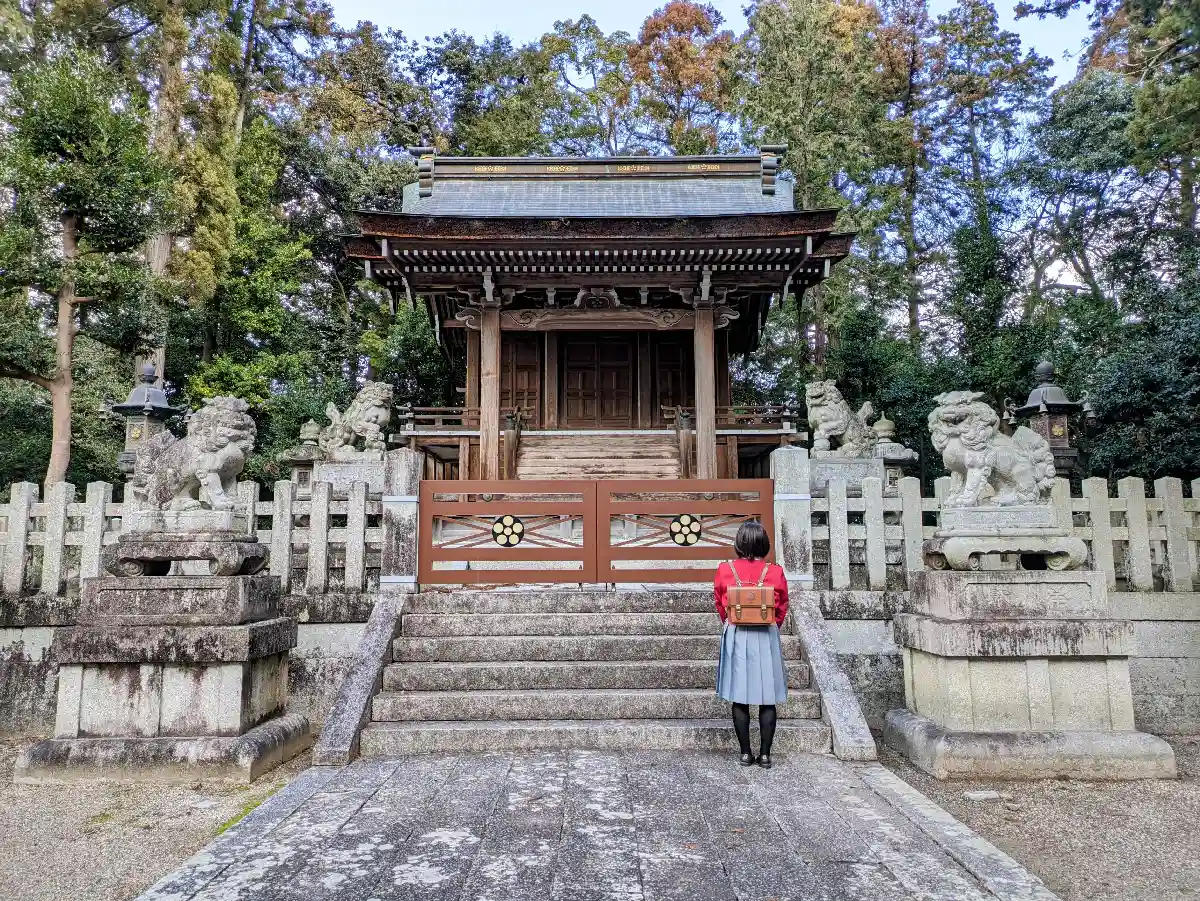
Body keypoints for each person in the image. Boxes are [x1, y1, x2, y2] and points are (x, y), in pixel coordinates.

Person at [713, 520, 790, 768]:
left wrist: (730, 622)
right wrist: (773, 625)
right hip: (766, 633)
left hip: (737, 632)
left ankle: (745, 753)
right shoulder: (775, 571)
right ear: (764, 544)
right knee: (768, 697)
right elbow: (782, 604)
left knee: (740, 695)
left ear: (738, 543)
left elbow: (719, 602)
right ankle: (765, 755)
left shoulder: (725, 569)